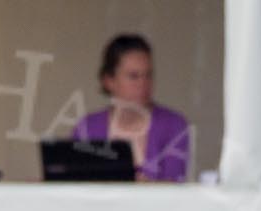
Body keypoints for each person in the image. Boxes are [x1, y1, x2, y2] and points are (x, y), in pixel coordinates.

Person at [71, 33, 192, 184]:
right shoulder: (87, 127)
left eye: (148, 75)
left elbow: (177, 188)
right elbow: (75, 186)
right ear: (109, 81)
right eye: (133, 76)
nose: (144, 83)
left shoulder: (174, 125)